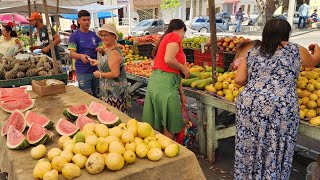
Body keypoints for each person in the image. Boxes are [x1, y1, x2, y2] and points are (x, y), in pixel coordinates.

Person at [234, 18, 320, 179]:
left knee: (250, 145)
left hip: (249, 104)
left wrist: (259, 80)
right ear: (287, 34)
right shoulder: (296, 50)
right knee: (275, 146)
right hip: (280, 108)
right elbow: (313, 61)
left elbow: (238, 79)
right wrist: (317, 49)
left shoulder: (252, 52)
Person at [142, 19, 189, 140]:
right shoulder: (174, 36)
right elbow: (169, 59)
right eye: (184, 33)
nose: (183, 37)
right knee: (170, 124)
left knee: (159, 121)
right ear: (182, 29)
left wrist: (182, 93)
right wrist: (183, 68)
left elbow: (173, 70)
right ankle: (167, 152)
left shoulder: (166, 37)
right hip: (165, 83)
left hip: (158, 81)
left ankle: (158, 150)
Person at [89, 24, 128, 112]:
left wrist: (100, 75)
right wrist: (98, 62)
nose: (103, 38)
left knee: (117, 117)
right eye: (102, 35)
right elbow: (108, 63)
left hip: (115, 95)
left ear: (114, 36)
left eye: (106, 35)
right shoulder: (109, 49)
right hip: (109, 92)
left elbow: (115, 73)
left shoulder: (114, 52)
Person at [68, 10, 102, 98]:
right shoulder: (74, 36)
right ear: (79, 21)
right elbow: (72, 54)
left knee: (98, 97)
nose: (87, 22)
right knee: (87, 98)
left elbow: (102, 49)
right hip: (83, 72)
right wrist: (80, 56)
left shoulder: (95, 35)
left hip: (96, 71)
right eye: (84, 20)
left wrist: (101, 49)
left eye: (88, 20)